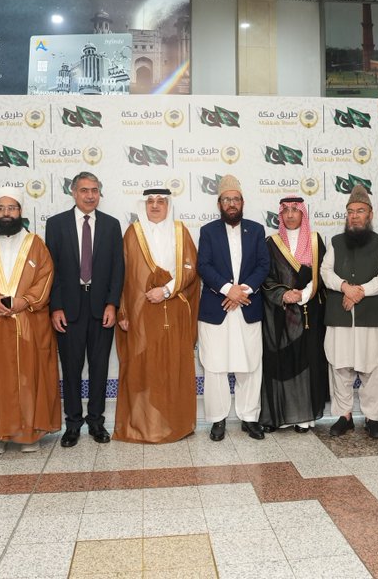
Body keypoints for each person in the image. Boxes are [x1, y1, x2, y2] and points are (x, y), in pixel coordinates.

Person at [0, 187, 61, 454]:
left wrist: (25, 301)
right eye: (1, 209)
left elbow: (45, 277)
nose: (6, 213)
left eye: (11, 208)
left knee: (28, 378)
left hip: (27, 322)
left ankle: (28, 434)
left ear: (20, 212)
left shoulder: (35, 244)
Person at [114, 189, 200, 443]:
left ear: (167, 205)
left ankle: (174, 424)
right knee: (144, 367)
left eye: (160, 201)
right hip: (140, 312)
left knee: (172, 366)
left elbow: (190, 268)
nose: (155, 206)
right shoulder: (133, 233)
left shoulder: (180, 231)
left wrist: (166, 290)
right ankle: (143, 426)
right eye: (150, 201)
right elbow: (122, 275)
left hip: (174, 309)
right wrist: (122, 311)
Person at [46, 171, 123, 447]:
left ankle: (96, 422)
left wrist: (112, 304)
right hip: (69, 309)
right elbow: (51, 270)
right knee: (71, 369)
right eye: (84, 190)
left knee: (99, 368)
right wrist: (55, 307)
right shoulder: (56, 224)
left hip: (101, 308)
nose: (90, 196)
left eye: (94, 190)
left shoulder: (112, 225)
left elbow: (118, 268)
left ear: (99, 193)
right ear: (73, 192)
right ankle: (73, 424)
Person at [197, 175, 269, 441]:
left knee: (249, 364)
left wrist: (243, 291)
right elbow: (203, 266)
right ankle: (218, 419)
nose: (231, 204)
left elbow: (263, 265)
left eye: (235, 199)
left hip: (247, 306)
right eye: (226, 199)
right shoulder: (208, 231)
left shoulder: (256, 230)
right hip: (217, 307)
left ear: (242, 202)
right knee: (215, 365)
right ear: (219, 204)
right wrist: (229, 290)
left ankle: (249, 417)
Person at [320, 186, 378, 438]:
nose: (354, 216)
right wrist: (344, 287)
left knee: (372, 368)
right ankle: (345, 416)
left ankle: (373, 418)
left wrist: (359, 291)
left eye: (360, 211)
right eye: (350, 211)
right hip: (339, 316)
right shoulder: (335, 242)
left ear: (370, 214)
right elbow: (325, 271)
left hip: (370, 316)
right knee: (340, 367)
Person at [260, 196, 327, 433]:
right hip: (280, 315)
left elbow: (323, 273)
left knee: (306, 363)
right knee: (281, 364)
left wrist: (304, 294)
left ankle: (304, 418)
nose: (290, 215)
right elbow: (265, 276)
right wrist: (284, 294)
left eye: (295, 210)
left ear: (302, 213)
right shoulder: (271, 243)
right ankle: (279, 417)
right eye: (285, 210)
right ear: (280, 215)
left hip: (308, 313)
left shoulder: (316, 241)